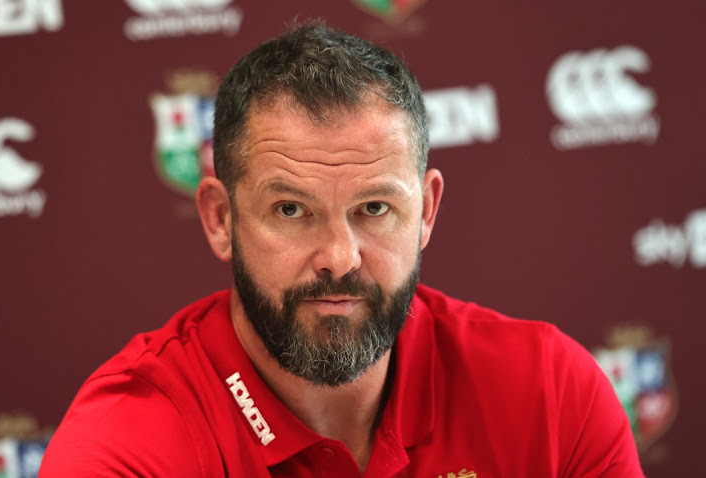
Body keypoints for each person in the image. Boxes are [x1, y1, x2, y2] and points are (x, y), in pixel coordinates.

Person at [40, 22, 644, 477]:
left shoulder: (551, 394)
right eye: (291, 210)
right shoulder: (126, 446)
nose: (339, 257)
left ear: (426, 211)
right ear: (220, 219)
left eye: (374, 209)